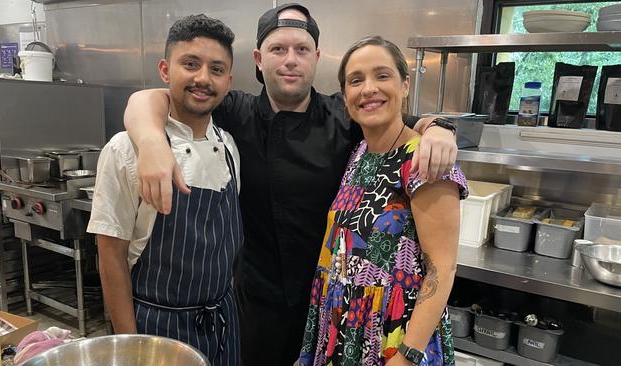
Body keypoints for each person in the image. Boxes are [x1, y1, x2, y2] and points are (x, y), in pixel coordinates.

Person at [123, 4, 459, 365]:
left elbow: (402, 121)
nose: (290, 61)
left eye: (301, 50)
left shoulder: (345, 114)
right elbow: (150, 98)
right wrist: (152, 141)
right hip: (255, 303)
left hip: (328, 309)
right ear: (258, 58)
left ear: (316, 57)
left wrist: (439, 127)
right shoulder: (235, 110)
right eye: (278, 49)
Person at [296, 36, 467, 366]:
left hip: (395, 335)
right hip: (345, 327)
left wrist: (407, 356)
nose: (368, 88)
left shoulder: (424, 159)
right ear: (345, 96)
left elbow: (442, 269)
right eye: (356, 80)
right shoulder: (360, 153)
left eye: (382, 76)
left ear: (405, 86)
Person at [87, 15, 242, 366]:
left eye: (216, 69)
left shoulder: (229, 147)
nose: (203, 78)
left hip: (223, 323)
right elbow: (111, 258)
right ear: (165, 70)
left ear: (228, 81)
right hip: (156, 330)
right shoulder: (125, 150)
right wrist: (130, 347)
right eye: (190, 64)